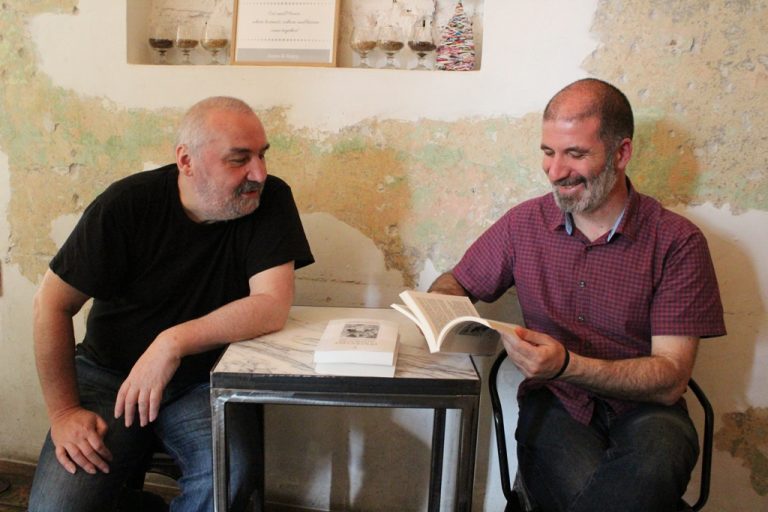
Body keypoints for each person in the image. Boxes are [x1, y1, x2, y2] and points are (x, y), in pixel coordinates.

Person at [429, 78, 725, 512]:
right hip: (557, 404)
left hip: (649, 410)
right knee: (613, 493)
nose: (555, 172)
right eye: (548, 152)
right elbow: (456, 282)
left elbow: (670, 378)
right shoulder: (523, 224)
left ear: (621, 153)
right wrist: (442, 308)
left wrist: (567, 364)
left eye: (576, 154)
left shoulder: (677, 241)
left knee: (654, 463)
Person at [28, 96, 314, 512]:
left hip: (202, 381)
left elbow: (271, 304)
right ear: (186, 160)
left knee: (229, 477)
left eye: (262, 155)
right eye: (239, 159)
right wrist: (64, 412)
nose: (259, 173)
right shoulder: (127, 204)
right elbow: (50, 304)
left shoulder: (270, 199)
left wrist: (171, 343)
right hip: (109, 376)